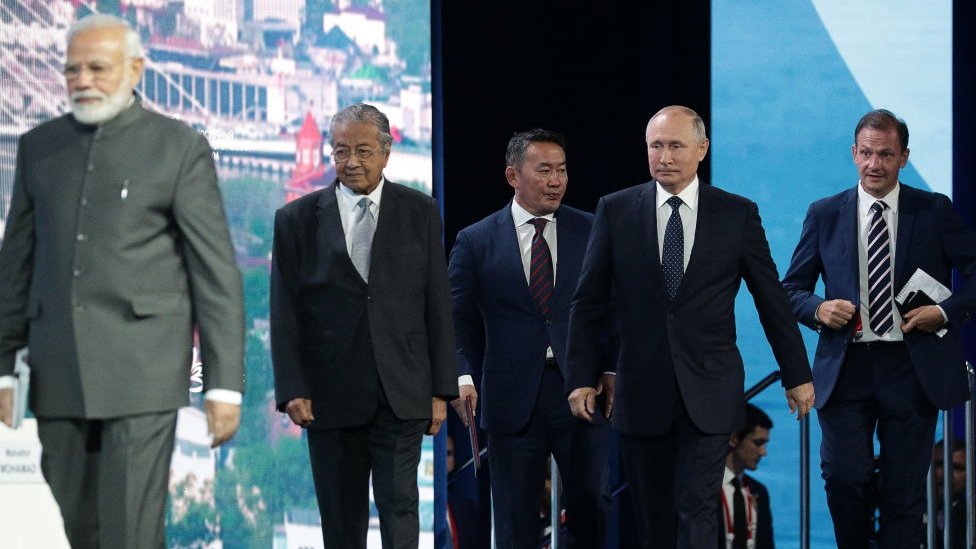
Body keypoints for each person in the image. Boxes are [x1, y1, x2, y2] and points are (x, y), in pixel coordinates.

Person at [0, 14, 244, 549]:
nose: (82, 80)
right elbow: (15, 267)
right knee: (81, 527)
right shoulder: (38, 147)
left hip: (143, 375)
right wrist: (3, 370)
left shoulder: (179, 147)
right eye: (72, 69)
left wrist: (224, 384)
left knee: (129, 533)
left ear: (135, 69)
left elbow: (216, 274)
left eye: (97, 68)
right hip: (57, 372)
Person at [566, 105, 814, 549]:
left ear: (702, 149)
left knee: (697, 507)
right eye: (656, 146)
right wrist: (581, 376)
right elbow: (589, 301)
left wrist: (796, 374)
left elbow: (771, 299)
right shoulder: (616, 209)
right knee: (654, 516)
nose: (664, 157)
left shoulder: (737, 213)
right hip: (641, 390)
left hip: (710, 388)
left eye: (675, 146)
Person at [781, 108, 976, 549]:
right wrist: (818, 308)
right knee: (844, 478)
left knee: (903, 492)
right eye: (867, 153)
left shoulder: (934, 210)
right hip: (846, 368)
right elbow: (791, 289)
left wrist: (945, 312)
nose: (875, 164)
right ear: (854, 153)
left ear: (904, 157)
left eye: (886, 154)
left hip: (912, 367)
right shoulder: (825, 213)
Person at [270, 102, 458, 548]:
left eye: (363, 151)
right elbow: (285, 312)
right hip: (329, 396)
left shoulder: (420, 210)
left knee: (401, 509)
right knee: (341, 520)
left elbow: (436, 303)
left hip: (402, 391)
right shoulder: (296, 220)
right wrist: (292, 388)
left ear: (386, 152)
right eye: (341, 151)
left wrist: (440, 391)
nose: (351, 161)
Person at [449, 129, 612, 548]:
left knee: (591, 508)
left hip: (581, 390)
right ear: (513, 176)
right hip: (510, 396)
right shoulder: (476, 240)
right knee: (513, 519)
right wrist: (462, 375)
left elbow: (614, 307)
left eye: (561, 170)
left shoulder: (592, 229)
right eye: (544, 171)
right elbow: (456, 318)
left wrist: (610, 368)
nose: (556, 181)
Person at [718, 404, 776, 549]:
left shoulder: (759, 492)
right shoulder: (704, 489)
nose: (763, 452)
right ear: (734, 439)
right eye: (758, 443)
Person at [932, 439, 967, 549]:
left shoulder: (970, 520)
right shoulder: (908, 513)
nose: (946, 473)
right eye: (939, 464)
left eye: (956, 467)